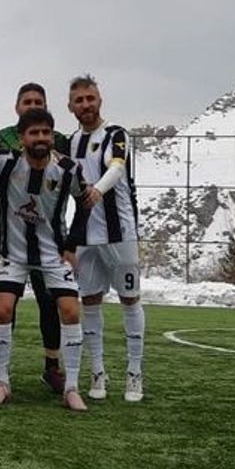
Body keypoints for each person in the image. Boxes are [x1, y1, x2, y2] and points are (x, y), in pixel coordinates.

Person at [0, 108, 89, 411]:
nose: (41, 138)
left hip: (52, 255)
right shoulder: (6, 162)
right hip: (13, 254)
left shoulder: (67, 168)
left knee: (70, 311)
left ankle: (71, 387)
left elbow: (85, 202)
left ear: (52, 136)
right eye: (34, 133)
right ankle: (2, 382)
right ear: (21, 138)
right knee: (3, 309)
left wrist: (72, 245)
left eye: (46, 132)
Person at [67, 75, 146, 403]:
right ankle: (97, 371)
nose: (86, 104)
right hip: (86, 237)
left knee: (130, 299)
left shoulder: (116, 135)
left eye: (91, 98)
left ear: (100, 100)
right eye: (79, 100)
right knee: (90, 302)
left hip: (120, 234)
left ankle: (134, 373)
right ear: (71, 107)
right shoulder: (71, 142)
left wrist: (97, 190)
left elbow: (116, 167)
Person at [0, 82, 72, 394]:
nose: (32, 105)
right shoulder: (3, 137)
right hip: (12, 236)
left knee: (49, 302)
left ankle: (52, 366)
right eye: (27, 102)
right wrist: (15, 192)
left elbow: (67, 178)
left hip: (49, 237)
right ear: (17, 107)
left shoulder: (59, 140)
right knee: (5, 304)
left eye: (38, 101)